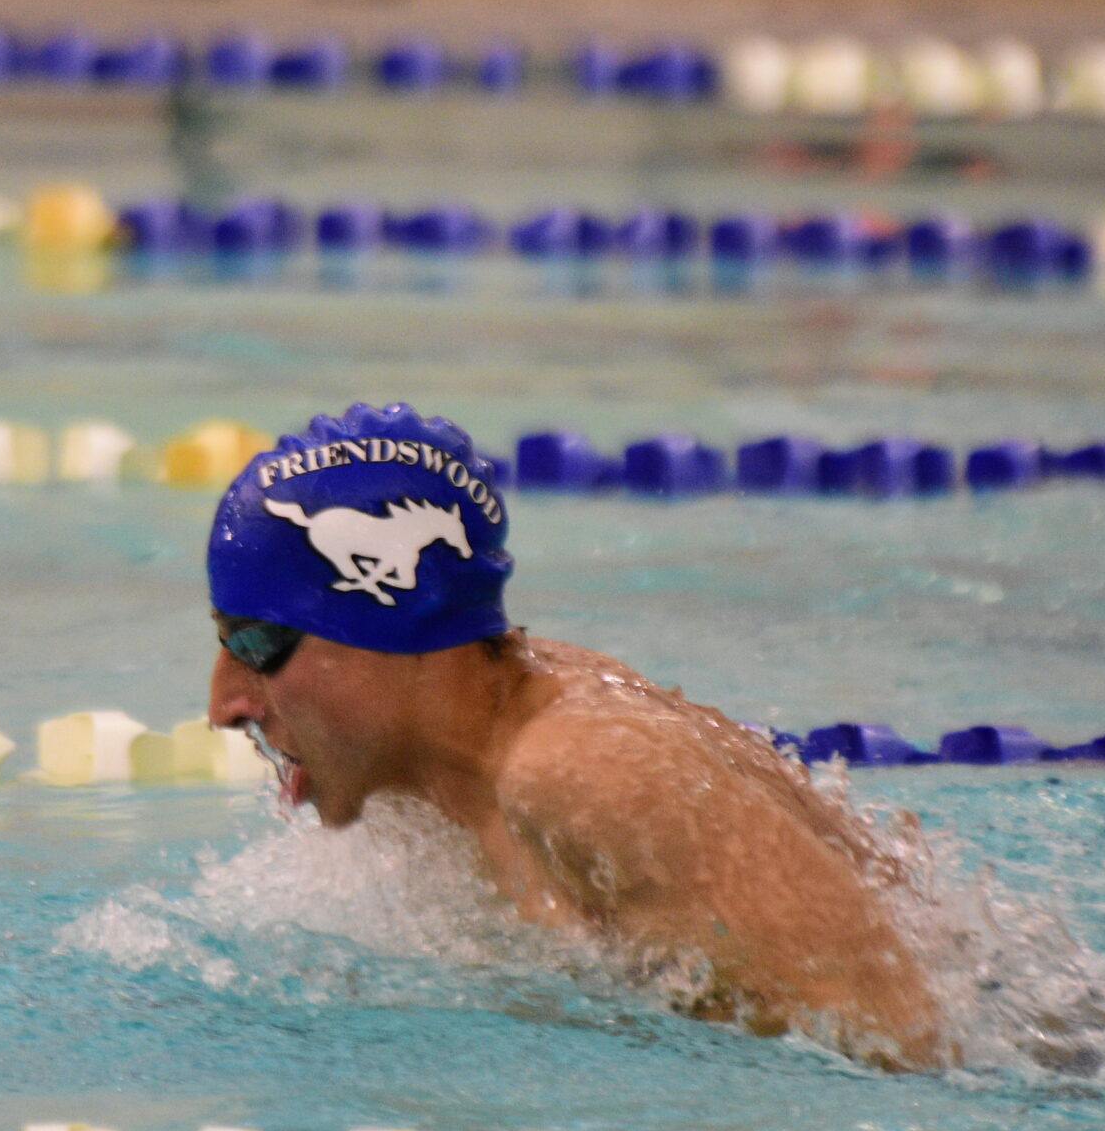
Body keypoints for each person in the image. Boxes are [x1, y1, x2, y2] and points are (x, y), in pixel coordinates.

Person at [205, 402, 948, 1071]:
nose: (224, 703)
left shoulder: (582, 773)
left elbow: (908, 1050)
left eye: (259, 645)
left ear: (388, 620)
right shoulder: (432, 755)